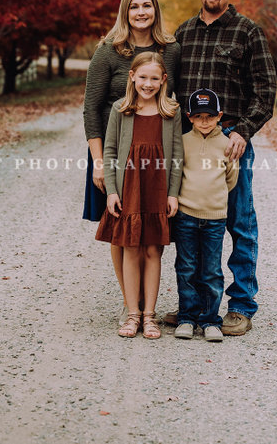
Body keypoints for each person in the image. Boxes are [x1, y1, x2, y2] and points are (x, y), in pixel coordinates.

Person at [173, 0, 277, 336]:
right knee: (191, 225)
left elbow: (265, 91)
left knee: (238, 222)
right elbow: (170, 90)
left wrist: (243, 131)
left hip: (230, 141)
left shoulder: (247, 32)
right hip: (189, 143)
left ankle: (241, 305)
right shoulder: (183, 33)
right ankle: (197, 307)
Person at [82, 0, 180, 322]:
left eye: (147, 6)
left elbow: (174, 99)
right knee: (119, 226)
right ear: (125, 12)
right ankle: (131, 304)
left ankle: (145, 305)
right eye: (134, 6)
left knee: (150, 228)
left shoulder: (170, 50)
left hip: (155, 154)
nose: (141, 12)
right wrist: (98, 162)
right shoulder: (108, 51)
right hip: (114, 152)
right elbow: (91, 108)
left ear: (155, 10)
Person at [95, 51, 183, 339]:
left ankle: (149, 316)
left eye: (154, 79)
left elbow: (177, 155)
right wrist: (112, 191)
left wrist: (172, 193)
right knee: (131, 248)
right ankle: (132, 314)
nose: (148, 84)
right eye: (143, 77)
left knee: (153, 250)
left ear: (163, 80)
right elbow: (110, 151)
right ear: (132, 76)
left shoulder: (171, 112)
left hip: (157, 187)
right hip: (129, 187)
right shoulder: (121, 109)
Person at [173, 88, 238, 343]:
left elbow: (231, 178)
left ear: (219, 116)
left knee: (211, 270)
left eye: (209, 116)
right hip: (186, 215)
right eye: (198, 116)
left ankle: (210, 320)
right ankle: (187, 318)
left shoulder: (227, 144)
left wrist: (213, 200)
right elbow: (176, 175)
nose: (204, 121)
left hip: (214, 218)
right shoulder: (182, 142)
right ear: (189, 116)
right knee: (186, 267)